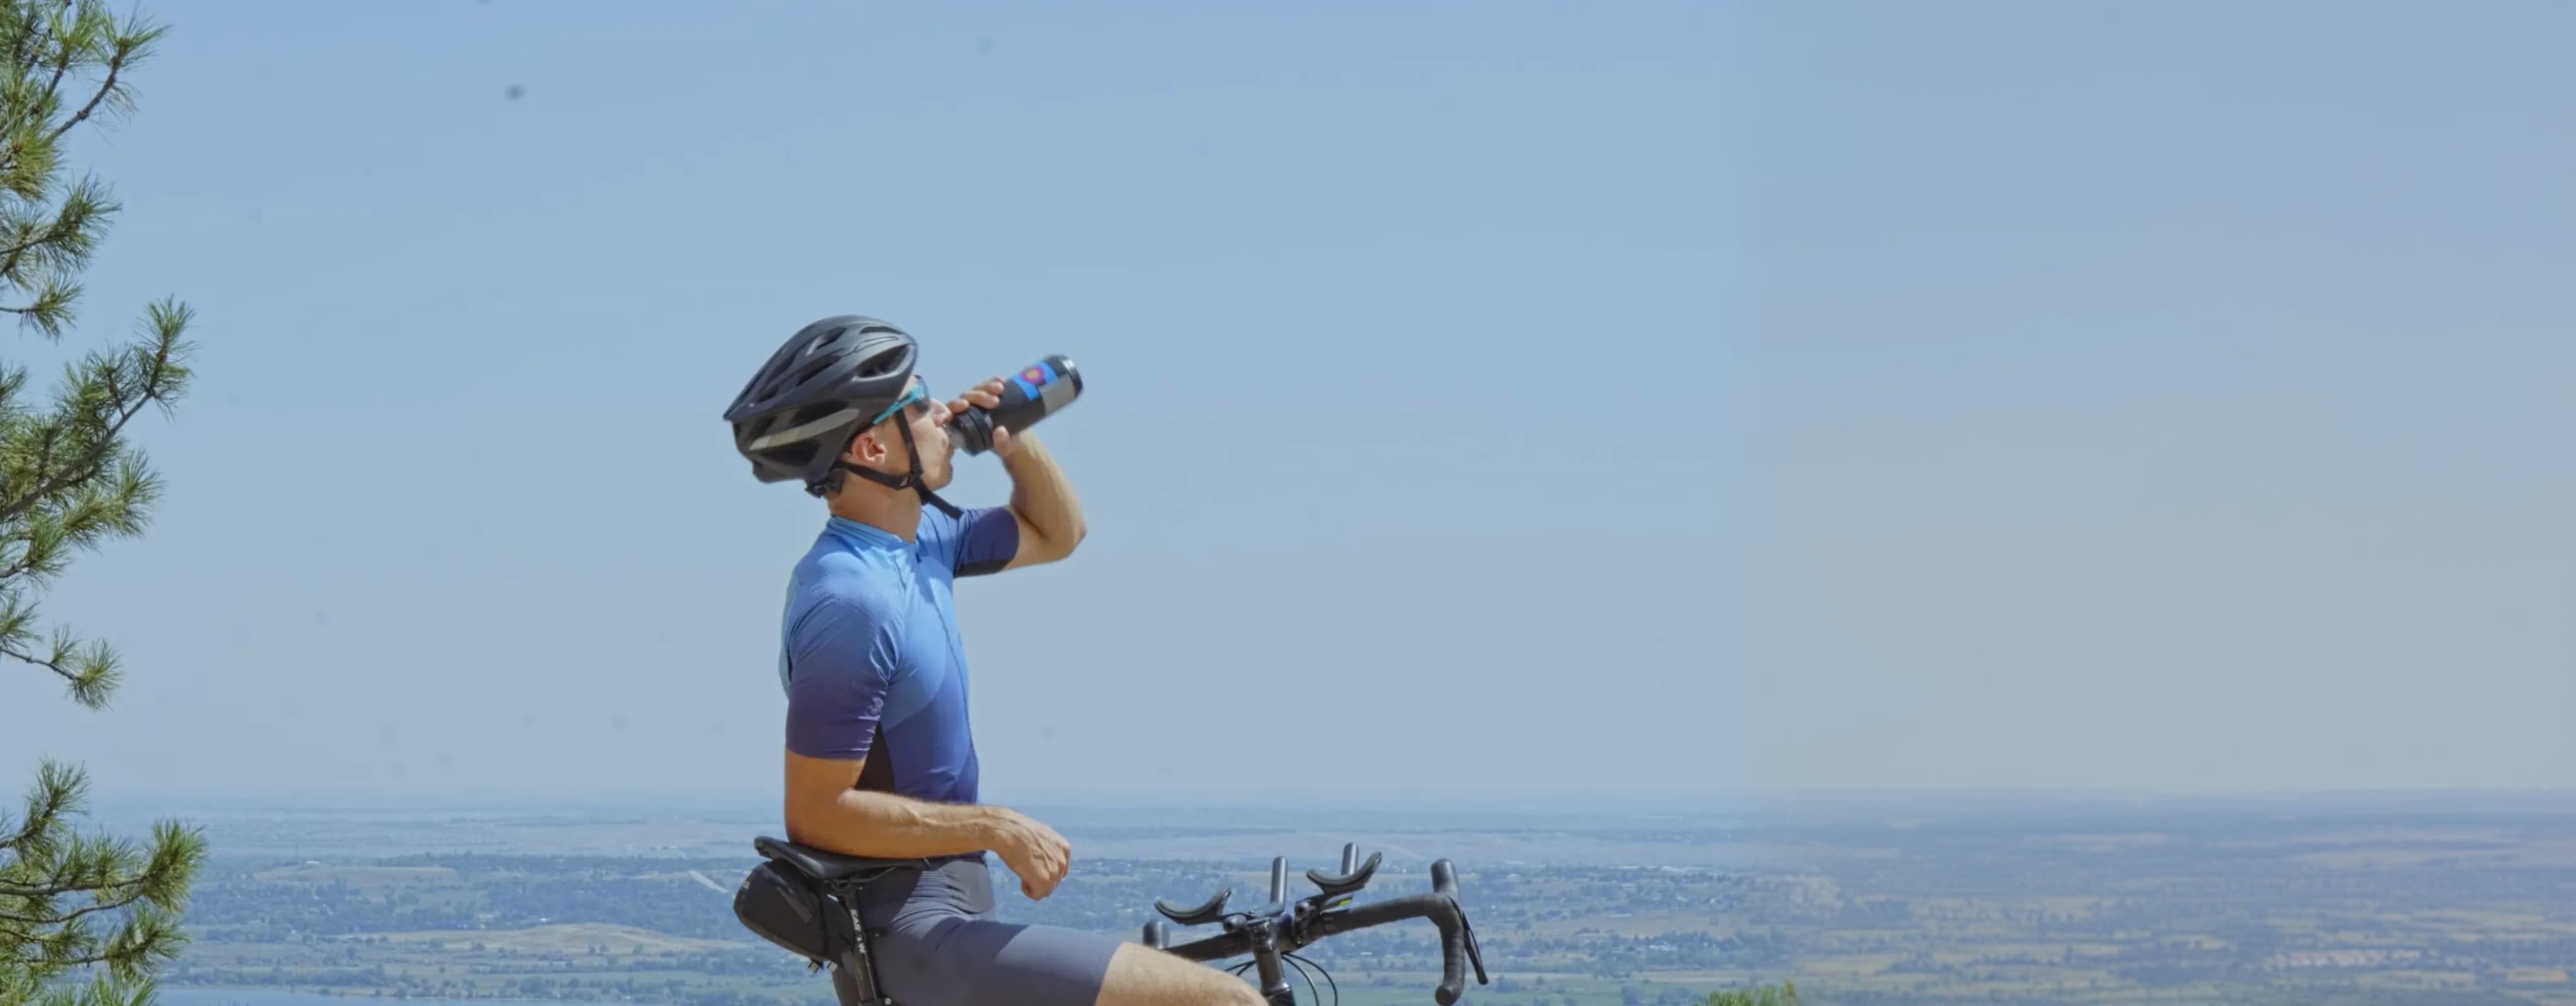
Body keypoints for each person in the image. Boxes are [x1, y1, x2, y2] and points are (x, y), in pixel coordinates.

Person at [722, 315, 1263, 1006]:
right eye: (918, 403)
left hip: (954, 913)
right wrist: (994, 825)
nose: (942, 412)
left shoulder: (922, 540)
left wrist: (1014, 438)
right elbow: (816, 813)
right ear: (872, 447)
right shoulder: (850, 598)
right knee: (1226, 1001)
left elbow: (1059, 533)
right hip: (912, 934)